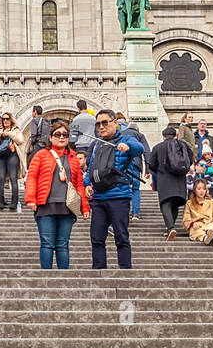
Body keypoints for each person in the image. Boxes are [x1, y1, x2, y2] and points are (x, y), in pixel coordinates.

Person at [23, 120, 89, 268]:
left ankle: (63, 277)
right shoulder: (41, 155)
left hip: (67, 206)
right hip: (45, 205)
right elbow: (32, 177)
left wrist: (84, 207)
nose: (61, 137)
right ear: (51, 137)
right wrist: (30, 199)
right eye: (57, 134)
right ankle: (47, 277)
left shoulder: (73, 157)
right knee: (47, 244)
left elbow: (79, 184)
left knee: (62, 245)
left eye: (65, 134)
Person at [84, 108, 144, 269]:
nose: (101, 127)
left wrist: (128, 147)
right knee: (96, 238)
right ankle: (98, 271)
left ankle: (125, 272)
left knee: (121, 237)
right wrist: (87, 184)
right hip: (99, 199)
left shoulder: (126, 139)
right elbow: (90, 169)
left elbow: (140, 148)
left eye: (105, 122)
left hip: (119, 198)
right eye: (98, 124)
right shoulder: (96, 145)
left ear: (115, 123)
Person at [149, 124, 193, 240]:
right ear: (176, 136)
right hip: (180, 179)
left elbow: (152, 164)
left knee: (166, 203)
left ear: (163, 137)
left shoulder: (158, 147)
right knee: (175, 203)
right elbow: (190, 159)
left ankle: (170, 227)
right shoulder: (183, 145)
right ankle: (170, 227)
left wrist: (158, 170)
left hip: (165, 179)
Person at [0, 112, 26, 212]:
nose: (5, 121)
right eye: (3, 119)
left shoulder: (16, 130)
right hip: (0, 156)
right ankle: (0, 201)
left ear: (11, 120)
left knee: (13, 178)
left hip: (12, 155)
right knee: (0, 178)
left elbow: (20, 140)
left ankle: (14, 202)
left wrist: (9, 134)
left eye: (7, 119)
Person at [182, 178, 213, 247]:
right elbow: (186, 218)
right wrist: (192, 223)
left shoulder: (212, 202)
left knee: (212, 229)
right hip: (197, 225)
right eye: (199, 189)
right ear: (194, 190)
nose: (201, 191)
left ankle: (212, 237)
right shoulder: (189, 203)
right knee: (196, 231)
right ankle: (208, 238)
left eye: (203, 189)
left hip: (209, 224)